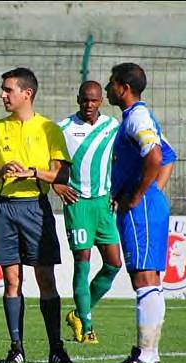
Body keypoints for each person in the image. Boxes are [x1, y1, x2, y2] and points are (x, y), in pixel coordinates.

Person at [0, 67, 73, 363]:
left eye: (8, 90)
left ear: (26, 93)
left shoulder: (49, 129)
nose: (3, 95)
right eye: (3, 90)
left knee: (45, 277)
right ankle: (16, 348)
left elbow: (62, 173)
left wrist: (32, 172)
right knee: (11, 279)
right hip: (4, 208)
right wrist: (1, 171)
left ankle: (56, 348)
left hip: (35, 206)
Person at [105, 63, 177, 363]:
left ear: (123, 87)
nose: (109, 89)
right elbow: (169, 154)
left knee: (145, 278)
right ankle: (148, 351)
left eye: (111, 84)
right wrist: (153, 191)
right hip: (146, 204)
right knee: (147, 279)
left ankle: (147, 355)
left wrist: (139, 195)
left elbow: (157, 157)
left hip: (141, 207)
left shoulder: (137, 116)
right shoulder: (134, 118)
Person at [54, 81, 122, 344]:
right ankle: (88, 325)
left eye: (94, 100)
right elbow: (50, 162)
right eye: (85, 100)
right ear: (78, 99)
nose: (89, 105)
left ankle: (78, 313)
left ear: (101, 101)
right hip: (78, 203)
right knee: (82, 262)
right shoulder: (64, 128)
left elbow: (120, 160)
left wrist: (118, 189)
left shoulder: (112, 127)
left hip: (104, 203)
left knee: (114, 264)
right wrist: (56, 184)